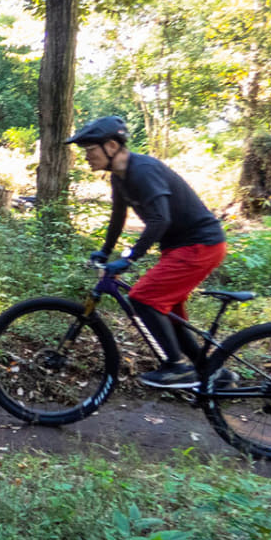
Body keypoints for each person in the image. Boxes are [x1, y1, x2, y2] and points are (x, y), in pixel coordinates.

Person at [66, 115, 227, 389]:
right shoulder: (120, 177)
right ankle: (212, 372)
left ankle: (176, 367)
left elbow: (159, 220)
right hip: (182, 248)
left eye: (91, 151)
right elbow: (118, 216)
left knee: (144, 298)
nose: (87, 157)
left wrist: (128, 258)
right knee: (169, 316)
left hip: (200, 245)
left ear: (112, 146)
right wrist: (105, 251)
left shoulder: (143, 170)